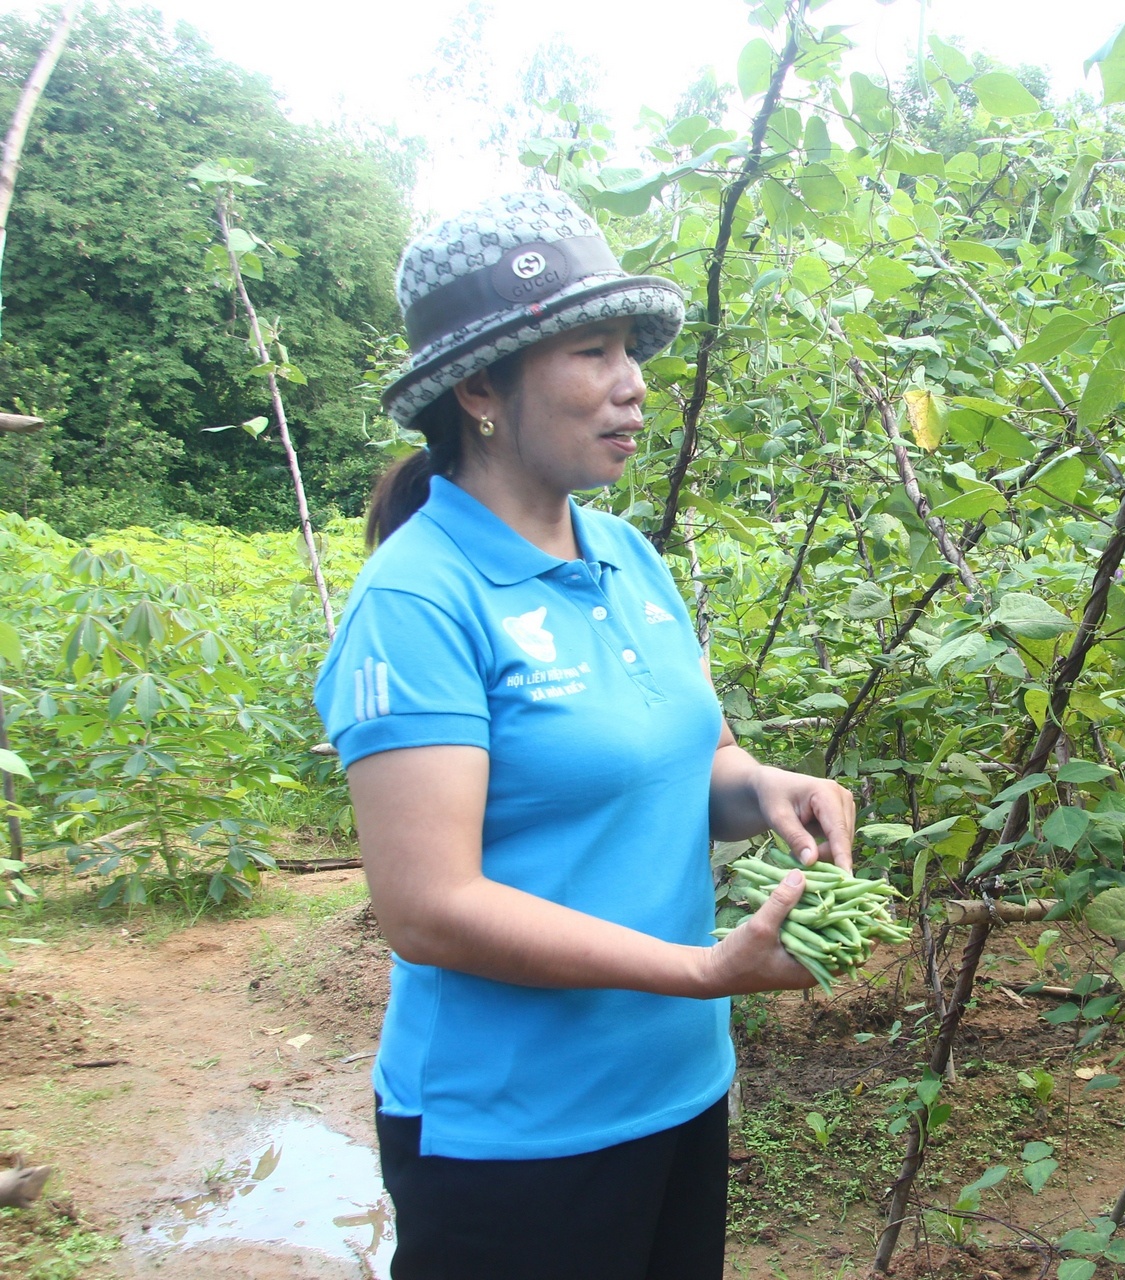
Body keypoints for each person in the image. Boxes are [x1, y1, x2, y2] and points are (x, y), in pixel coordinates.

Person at [314, 191, 854, 1280]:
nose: (632, 383)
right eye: (592, 350)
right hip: (508, 1129)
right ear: (478, 389)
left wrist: (770, 789)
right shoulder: (419, 598)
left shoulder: (627, 557)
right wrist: (702, 968)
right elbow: (427, 908)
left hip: (674, 1083)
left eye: (632, 351)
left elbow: (696, 761)